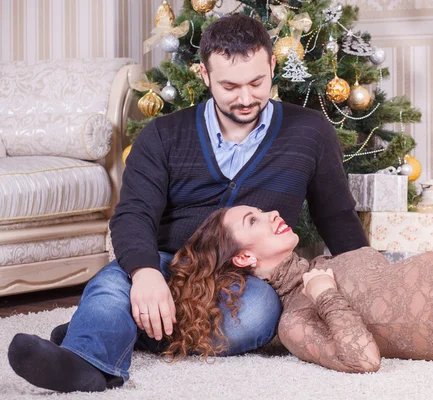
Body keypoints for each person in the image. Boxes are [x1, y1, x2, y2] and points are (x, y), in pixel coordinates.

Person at [7, 14, 367, 393]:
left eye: (257, 82)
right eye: (230, 85)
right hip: (171, 263)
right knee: (116, 281)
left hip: (248, 279)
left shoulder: (310, 131)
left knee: (260, 313)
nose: (246, 98)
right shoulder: (162, 135)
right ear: (203, 74)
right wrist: (145, 274)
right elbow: (133, 214)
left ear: (273, 66)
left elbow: (337, 216)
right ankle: (84, 362)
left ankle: (116, 328)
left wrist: (367, 285)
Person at [162, 165, 433, 372]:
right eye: (253, 220)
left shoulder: (315, 266)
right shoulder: (296, 318)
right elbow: (363, 358)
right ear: (244, 258)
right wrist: (323, 293)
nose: (272, 213)